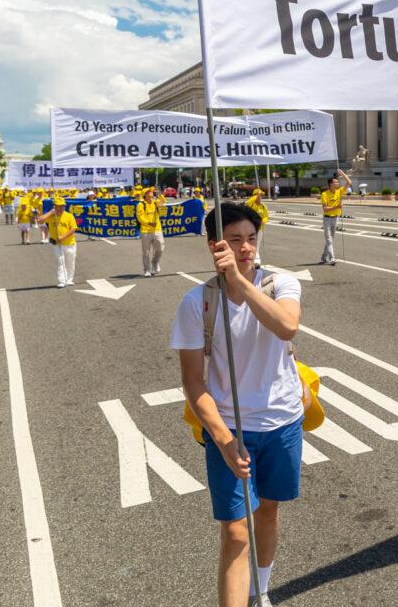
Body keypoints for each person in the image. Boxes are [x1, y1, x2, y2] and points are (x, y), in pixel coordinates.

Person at [170, 202, 303, 607]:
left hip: (282, 421)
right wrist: (225, 441)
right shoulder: (197, 303)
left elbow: (287, 326)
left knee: (267, 511)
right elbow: (194, 383)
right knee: (234, 531)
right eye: (234, 240)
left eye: (251, 239)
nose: (245, 248)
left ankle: (259, 588)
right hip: (230, 427)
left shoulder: (282, 283)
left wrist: (240, 281)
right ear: (213, 245)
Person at [37, 197, 78, 287]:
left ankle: (69, 279)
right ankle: (62, 280)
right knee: (60, 261)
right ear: (54, 206)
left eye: (62, 206)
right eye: (58, 206)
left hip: (69, 243)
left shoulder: (69, 216)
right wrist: (49, 213)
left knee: (70, 262)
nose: (60, 208)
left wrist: (63, 237)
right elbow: (39, 220)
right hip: (57, 244)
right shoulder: (51, 216)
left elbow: (73, 228)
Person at [320, 169, 350, 265]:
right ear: (330, 184)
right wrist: (337, 206)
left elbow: (349, 182)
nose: (337, 183)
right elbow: (325, 209)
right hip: (327, 219)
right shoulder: (324, 194)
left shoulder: (339, 191)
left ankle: (323, 257)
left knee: (330, 239)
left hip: (335, 218)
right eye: (335, 182)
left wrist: (343, 174)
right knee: (329, 239)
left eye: (337, 182)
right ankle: (332, 258)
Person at [138, 187, 165, 277]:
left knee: (160, 248)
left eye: (152, 191)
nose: (151, 192)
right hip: (145, 231)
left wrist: (159, 194)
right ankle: (147, 270)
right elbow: (140, 217)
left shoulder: (155, 202)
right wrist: (149, 223)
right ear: (145, 194)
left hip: (157, 229)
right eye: (149, 192)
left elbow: (162, 201)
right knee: (146, 252)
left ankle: (155, 262)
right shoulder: (141, 205)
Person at [245, 188, 269, 267]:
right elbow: (247, 202)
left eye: (261, 196)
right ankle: (251, 259)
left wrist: (263, 220)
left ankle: (256, 260)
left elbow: (266, 216)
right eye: (259, 196)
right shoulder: (251, 204)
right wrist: (256, 196)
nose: (260, 197)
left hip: (259, 229)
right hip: (250, 229)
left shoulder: (263, 206)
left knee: (256, 245)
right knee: (250, 245)